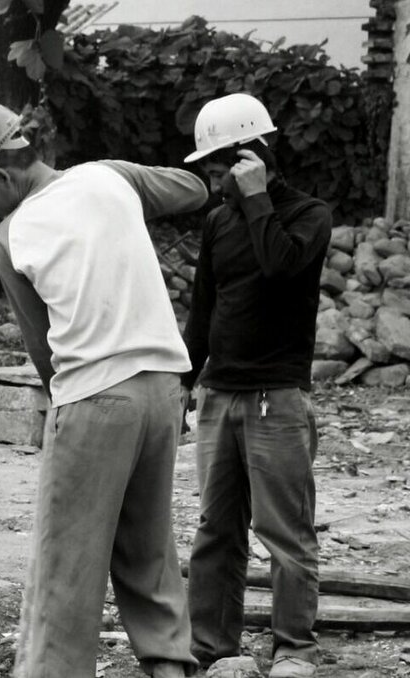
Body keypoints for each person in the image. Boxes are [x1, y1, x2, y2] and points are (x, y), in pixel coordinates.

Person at [0, 100, 208, 678]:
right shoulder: (109, 176)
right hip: (166, 390)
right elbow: (194, 188)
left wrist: (64, 421)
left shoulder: (12, 236)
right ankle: (168, 664)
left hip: (95, 398)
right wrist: (121, 191)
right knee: (147, 543)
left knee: (66, 561)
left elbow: (44, 353)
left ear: (3, 175)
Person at [181, 93, 330, 678]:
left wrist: (257, 197)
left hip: (278, 398)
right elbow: (202, 314)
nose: (215, 184)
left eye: (221, 170)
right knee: (216, 529)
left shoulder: (307, 216)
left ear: (253, 156)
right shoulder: (218, 222)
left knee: (283, 532)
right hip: (220, 397)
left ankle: (294, 649)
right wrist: (184, 384)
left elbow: (280, 267)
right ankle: (213, 646)